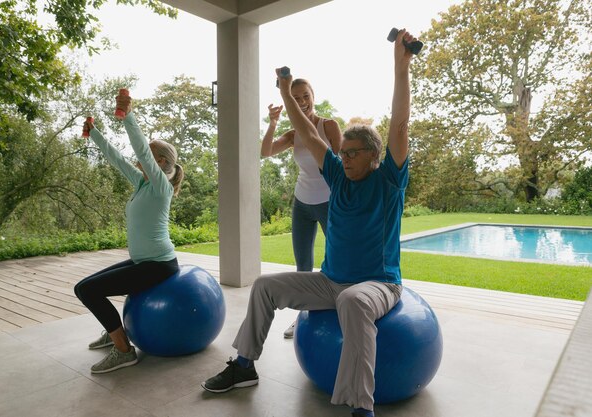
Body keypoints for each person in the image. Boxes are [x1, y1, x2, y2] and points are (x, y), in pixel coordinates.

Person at [201, 29, 417, 417]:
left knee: (353, 299)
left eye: (353, 153)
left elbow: (399, 125)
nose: (345, 158)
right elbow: (305, 131)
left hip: (379, 284)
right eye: (344, 152)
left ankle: (360, 408)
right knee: (265, 286)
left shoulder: (388, 182)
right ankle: (245, 365)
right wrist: (285, 92)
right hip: (329, 281)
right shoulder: (336, 176)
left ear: (373, 156)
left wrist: (400, 66)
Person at [74, 93, 184, 374]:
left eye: (148, 154)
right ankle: (114, 331)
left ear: (159, 162)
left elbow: (141, 151)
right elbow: (117, 158)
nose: (139, 159)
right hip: (142, 261)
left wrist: (128, 114)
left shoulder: (161, 186)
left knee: (86, 291)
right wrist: (94, 133)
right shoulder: (142, 183)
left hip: (158, 265)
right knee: (86, 285)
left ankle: (123, 349)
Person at [261, 79, 342, 338]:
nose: (302, 102)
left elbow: (341, 163)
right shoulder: (293, 134)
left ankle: (342, 310)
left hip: (330, 202)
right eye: (295, 98)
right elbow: (265, 152)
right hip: (302, 203)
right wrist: (273, 123)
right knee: (302, 265)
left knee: (338, 260)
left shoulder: (328, 125)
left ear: (313, 95)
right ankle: (302, 318)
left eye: (305, 96)